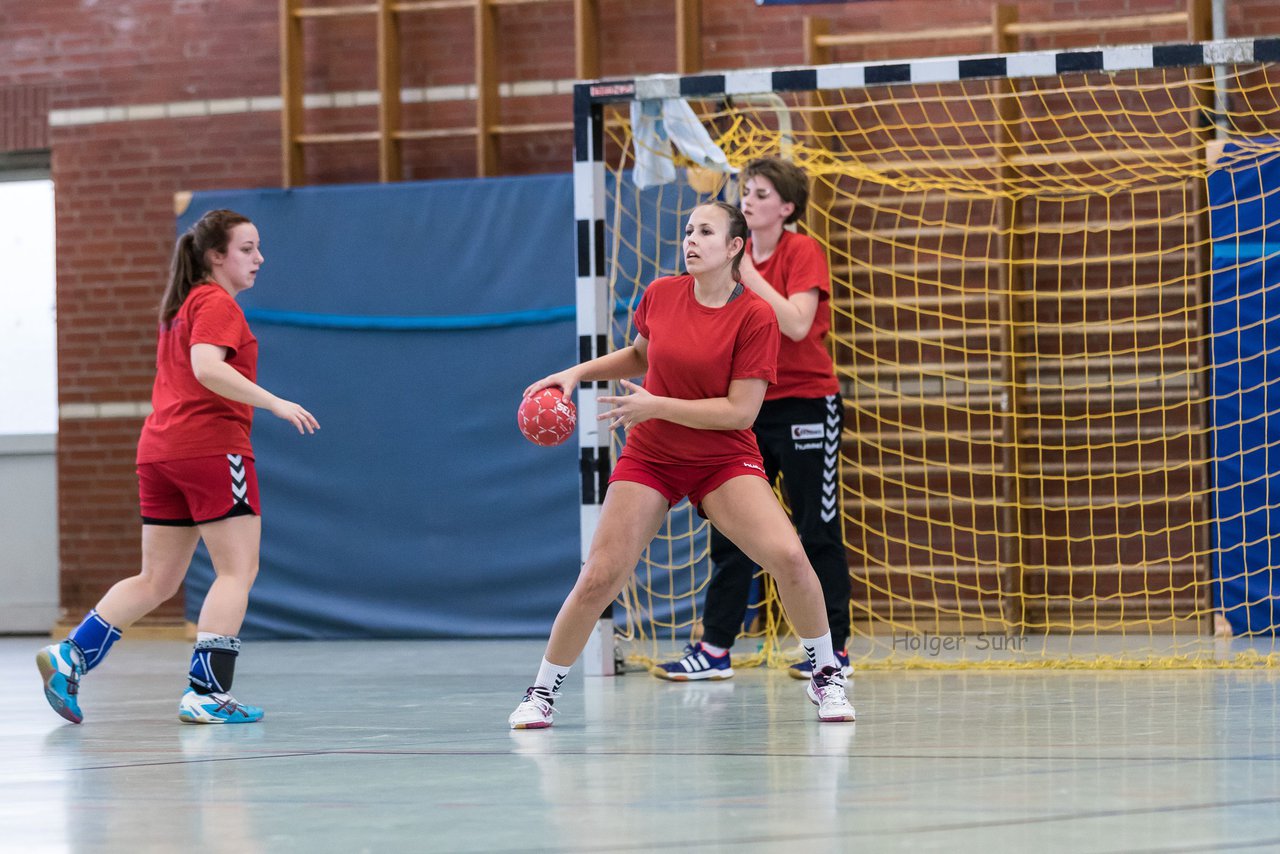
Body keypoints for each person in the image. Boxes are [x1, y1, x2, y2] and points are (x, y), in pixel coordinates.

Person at [509, 201, 854, 729]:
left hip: (722, 456)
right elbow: (641, 356)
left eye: (706, 232)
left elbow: (741, 411)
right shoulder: (662, 293)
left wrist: (655, 405)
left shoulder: (756, 316)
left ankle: (826, 674)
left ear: (734, 247)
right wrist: (574, 373)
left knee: (789, 555)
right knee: (600, 575)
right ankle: (541, 693)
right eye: (689, 230)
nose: (691, 239)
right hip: (653, 456)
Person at [36, 208, 319, 725]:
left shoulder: (184, 305)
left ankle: (70, 655)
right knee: (238, 570)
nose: (260, 258)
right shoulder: (215, 303)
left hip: (160, 451)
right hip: (210, 448)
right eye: (247, 248)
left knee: (157, 579)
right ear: (216, 256)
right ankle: (206, 693)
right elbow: (207, 368)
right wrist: (274, 402)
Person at [652, 157, 852, 683]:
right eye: (745, 191)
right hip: (744, 409)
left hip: (806, 405)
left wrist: (749, 274)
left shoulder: (800, 251)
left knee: (815, 529)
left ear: (785, 208)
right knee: (730, 529)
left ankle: (834, 651)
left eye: (761, 194)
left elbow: (797, 324)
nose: (748, 200)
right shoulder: (717, 265)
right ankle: (716, 648)